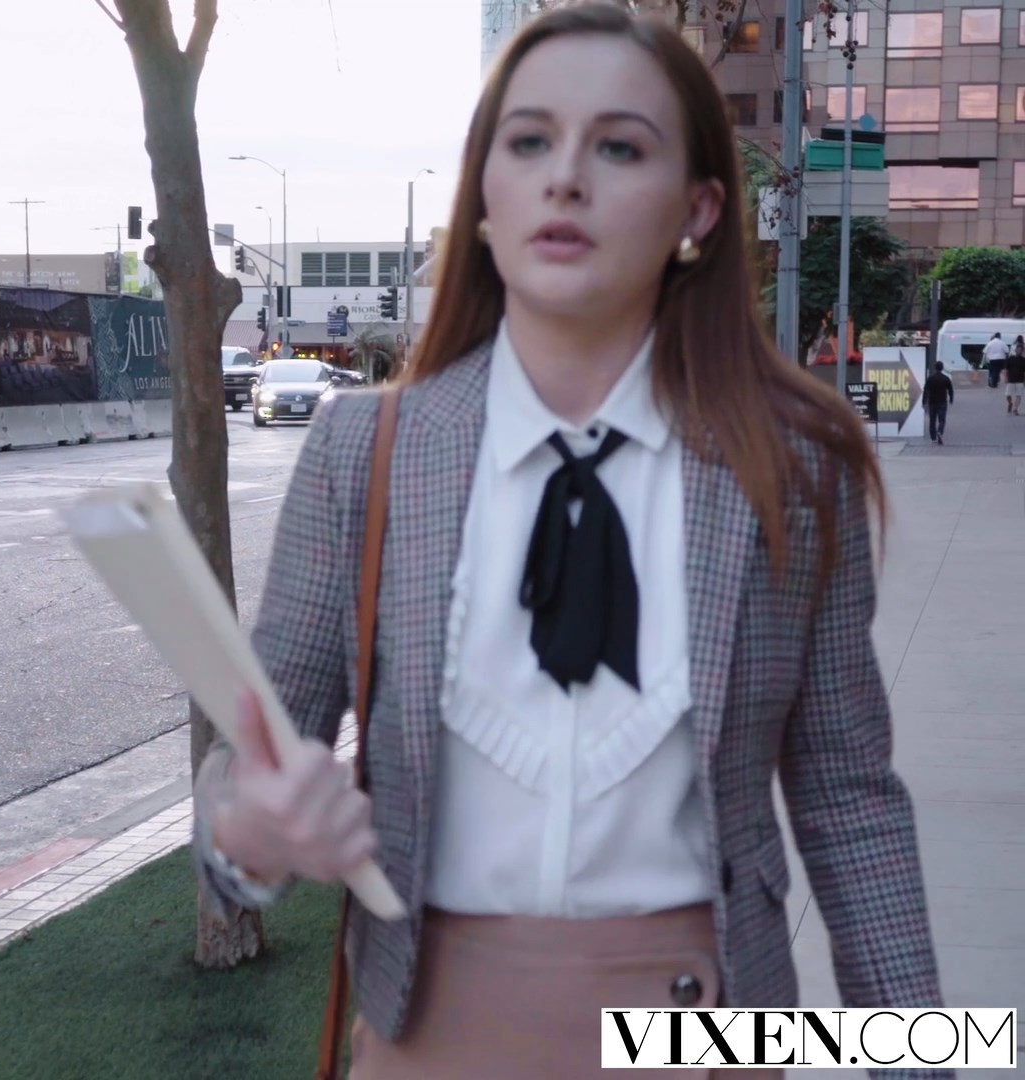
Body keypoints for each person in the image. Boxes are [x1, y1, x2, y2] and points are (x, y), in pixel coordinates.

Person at [192, 8, 945, 1079]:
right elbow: (251, 758)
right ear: (484, 198)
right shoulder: (364, 452)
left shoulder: (791, 467)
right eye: (530, 141)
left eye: (620, 147)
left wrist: (921, 1053)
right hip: (428, 1033)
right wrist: (246, 830)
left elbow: (848, 799)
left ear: (697, 210)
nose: (566, 178)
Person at [924, 359, 954, 443]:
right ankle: (940, 431)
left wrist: (924, 401)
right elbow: (950, 390)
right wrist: (951, 399)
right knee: (942, 420)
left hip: (932, 402)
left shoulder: (930, 378)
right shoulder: (946, 378)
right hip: (942, 402)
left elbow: (926, 390)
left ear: (935, 368)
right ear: (942, 368)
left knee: (932, 420)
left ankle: (933, 437)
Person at [985, 332, 1009, 397]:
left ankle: (993, 383)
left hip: (992, 360)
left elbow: (985, 351)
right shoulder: (1002, 343)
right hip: (1001, 359)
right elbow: (1007, 351)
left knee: (993, 371)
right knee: (997, 371)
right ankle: (994, 383)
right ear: (999, 336)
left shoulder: (990, 343)